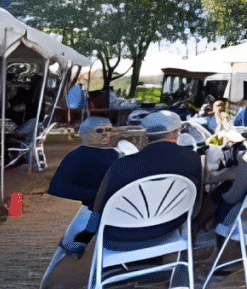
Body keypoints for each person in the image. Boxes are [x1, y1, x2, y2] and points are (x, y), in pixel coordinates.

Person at [91, 110, 203, 249]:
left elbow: (97, 208)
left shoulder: (122, 165)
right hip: (169, 229)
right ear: (175, 133)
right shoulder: (193, 159)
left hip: (119, 236)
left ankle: (75, 247)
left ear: (147, 135)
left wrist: (87, 233)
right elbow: (196, 206)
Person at [46, 117, 121, 259]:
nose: (105, 134)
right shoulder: (76, 156)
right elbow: (58, 187)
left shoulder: (116, 153)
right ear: (85, 133)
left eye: (108, 130)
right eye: (99, 131)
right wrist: (95, 195)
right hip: (92, 208)